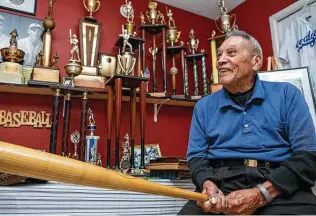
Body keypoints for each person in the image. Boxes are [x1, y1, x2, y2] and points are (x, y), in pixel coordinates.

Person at [178, 30, 316, 215]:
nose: (220, 60)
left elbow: (307, 156)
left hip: (279, 185)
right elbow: (197, 159)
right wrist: (207, 184)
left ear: (256, 62)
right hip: (221, 186)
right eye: (219, 55)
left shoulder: (287, 94)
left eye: (231, 53)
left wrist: (262, 193)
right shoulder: (203, 106)